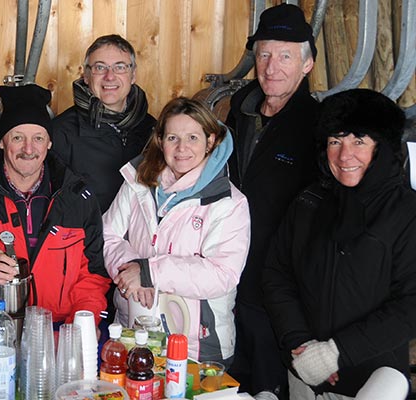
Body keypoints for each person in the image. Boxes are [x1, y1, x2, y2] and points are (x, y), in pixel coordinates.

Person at [263, 89, 416, 399]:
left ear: (382, 147)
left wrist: (336, 353)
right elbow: (276, 274)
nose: (344, 156)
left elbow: (411, 303)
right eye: (336, 141)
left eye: (359, 141)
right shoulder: (309, 203)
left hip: (374, 381)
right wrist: (299, 344)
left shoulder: (407, 213)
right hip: (304, 373)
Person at [0, 84, 111, 333]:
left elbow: (92, 276)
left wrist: (82, 324)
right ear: (2, 142)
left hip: (56, 335)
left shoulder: (77, 197)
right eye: (17, 137)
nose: (28, 149)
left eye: (38, 138)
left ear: (49, 143)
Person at [102, 97, 250, 365]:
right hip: (133, 331)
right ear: (160, 141)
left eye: (193, 137)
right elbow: (108, 235)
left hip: (198, 346)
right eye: (172, 138)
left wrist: (149, 272)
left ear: (210, 141)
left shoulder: (228, 202)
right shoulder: (138, 182)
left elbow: (222, 274)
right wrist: (131, 271)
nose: (182, 148)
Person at [225, 4, 320, 397]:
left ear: (307, 64)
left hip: (276, 294)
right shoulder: (238, 113)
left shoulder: (317, 127)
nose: (272, 66)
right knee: (226, 382)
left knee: (268, 387)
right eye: (264, 54)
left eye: (286, 55)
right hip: (225, 279)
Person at [51, 34, 157, 212]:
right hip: (88, 236)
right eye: (100, 67)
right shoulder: (61, 132)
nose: (110, 76)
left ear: (133, 75)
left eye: (120, 67)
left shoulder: (152, 129)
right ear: (86, 75)